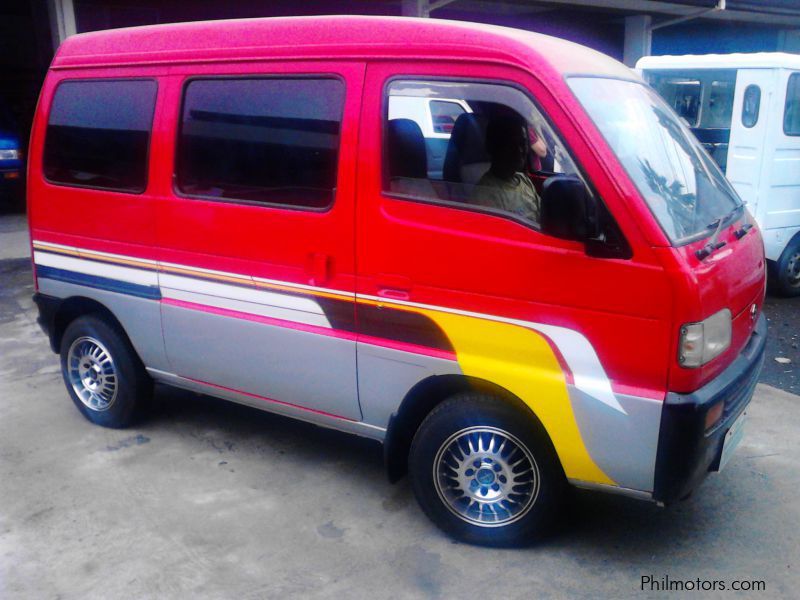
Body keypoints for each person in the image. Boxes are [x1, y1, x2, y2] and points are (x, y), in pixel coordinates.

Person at [471, 113, 541, 223]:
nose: (520, 150)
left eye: (523, 143)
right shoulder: (486, 194)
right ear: (494, 147)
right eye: (512, 144)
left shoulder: (524, 179)